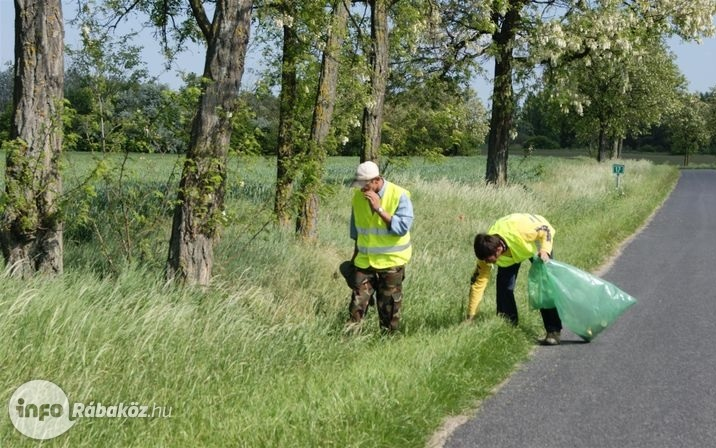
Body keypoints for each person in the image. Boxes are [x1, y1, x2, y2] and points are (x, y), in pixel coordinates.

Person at [467, 213, 563, 345]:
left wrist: (545, 250)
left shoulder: (523, 230)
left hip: (534, 242)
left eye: (491, 260)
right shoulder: (486, 253)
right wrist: (471, 316)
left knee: (544, 285)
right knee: (504, 288)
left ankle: (553, 331)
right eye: (486, 261)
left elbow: (545, 229)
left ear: (499, 250)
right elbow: (478, 283)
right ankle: (507, 328)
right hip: (511, 253)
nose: (489, 264)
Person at [348, 160, 414, 332]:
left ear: (376, 180)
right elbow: (357, 233)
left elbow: (401, 228)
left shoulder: (399, 195)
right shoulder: (357, 198)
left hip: (391, 262)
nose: (361, 189)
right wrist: (354, 259)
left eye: (365, 185)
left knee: (389, 308)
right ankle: (351, 339)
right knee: (357, 303)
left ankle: (388, 341)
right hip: (364, 261)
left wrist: (379, 208)